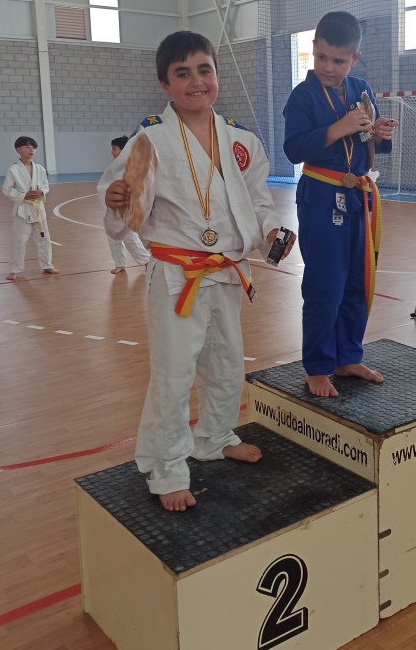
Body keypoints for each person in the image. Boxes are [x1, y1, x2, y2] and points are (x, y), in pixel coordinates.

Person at [99, 30, 294, 512]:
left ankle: (215, 437)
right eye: (182, 73)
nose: (195, 81)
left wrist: (271, 232)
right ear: (165, 85)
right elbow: (124, 213)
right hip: (176, 275)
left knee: (226, 361)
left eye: (204, 69)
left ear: (216, 74)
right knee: (174, 373)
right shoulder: (150, 140)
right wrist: (117, 201)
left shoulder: (242, 140)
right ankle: (166, 466)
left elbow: (258, 204)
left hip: (226, 270)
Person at [283, 11, 397, 398]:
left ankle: (347, 356)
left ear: (354, 59)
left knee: (356, 283)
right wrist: (338, 128)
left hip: (358, 197)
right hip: (320, 196)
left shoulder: (360, 89)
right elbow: (293, 149)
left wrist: (378, 135)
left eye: (338, 60)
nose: (328, 68)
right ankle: (317, 366)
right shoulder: (303, 96)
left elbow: (366, 143)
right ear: (313, 49)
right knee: (325, 286)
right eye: (321, 57)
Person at [2, 136, 58, 281]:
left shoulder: (40, 169)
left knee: (44, 238)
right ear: (18, 150)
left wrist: (42, 192)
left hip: (38, 209)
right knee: (19, 241)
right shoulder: (13, 170)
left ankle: (47, 265)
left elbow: (45, 185)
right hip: (22, 210)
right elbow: (7, 189)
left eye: (33, 147)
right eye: (27, 147)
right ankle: (14, 269)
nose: (31, 149)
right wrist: (24, 195)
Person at [106, 136, 150, 274]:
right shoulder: (115, 166)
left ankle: (147, 261)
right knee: (112, 235)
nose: (112, 152)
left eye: (114, 149)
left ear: (123, 150)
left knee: (129, 236)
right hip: (114, 207)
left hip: (127, 206)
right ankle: (119, 263)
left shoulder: (131, 165)